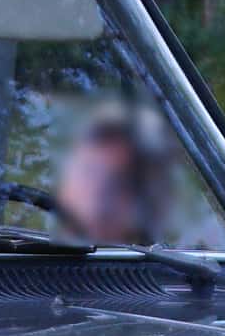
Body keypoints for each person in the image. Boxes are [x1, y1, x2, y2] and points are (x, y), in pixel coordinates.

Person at [54, 104, 158, 246]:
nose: (99, 195)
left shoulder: (162, 262)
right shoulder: (19, 241)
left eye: (118, 182)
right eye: (90, 173)